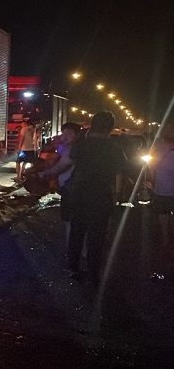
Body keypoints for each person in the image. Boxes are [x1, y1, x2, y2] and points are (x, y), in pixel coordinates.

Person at [63, 111, 127, 285]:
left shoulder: (81, 145)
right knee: (96, 237)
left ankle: (73, 267)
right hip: (101, 196)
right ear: (110, 128)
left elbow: (70, 162)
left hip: (79, 194)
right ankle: (93, 273)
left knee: (77, 232)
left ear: (93, 124)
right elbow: (119, 174)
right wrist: (117, 196)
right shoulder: (114, 148)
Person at [150, 119, 174, 251]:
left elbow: (151, 166)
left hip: (162, 188)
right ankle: (167, 238)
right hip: (163, 188)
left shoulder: (158, 149)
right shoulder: (158, 149)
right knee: (165, 215)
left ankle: (165, 238)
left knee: (163, 214)